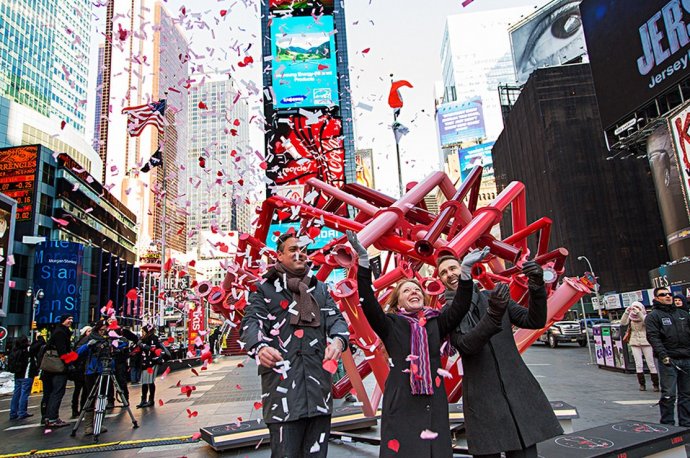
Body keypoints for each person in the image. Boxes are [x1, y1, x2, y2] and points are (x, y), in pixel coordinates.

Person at [349, 231, 478, 457]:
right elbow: (368, 301)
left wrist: (465, 273)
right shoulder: (390, 323)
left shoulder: (437, 321)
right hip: (401, 399)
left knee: (434, 450)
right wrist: (363, 262)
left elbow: (460, 306)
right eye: (406, 290)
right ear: (398, 301)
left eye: (417, 289)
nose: (414, 292)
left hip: (433, 399)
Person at [437, 254, 562, 458]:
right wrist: (493, 315)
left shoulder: (491, 296)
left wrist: (537, 286)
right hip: (482, 400)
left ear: (463, 269)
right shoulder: (448, 312)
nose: (450, 274)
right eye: (443, 272)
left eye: (453, 268)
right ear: (441, 280)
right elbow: (467, 345)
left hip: (517, 391)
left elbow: (534, 320)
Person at [240, 232, 349, 457]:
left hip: (318, 391)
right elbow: (251, 322)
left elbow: (336, 319)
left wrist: (338, 340)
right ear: (279, 256)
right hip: (283, 395)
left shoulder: (320, 289)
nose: (300, 254)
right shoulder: (265, 289)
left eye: (304, 251)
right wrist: (260, 347)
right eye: (293, 250)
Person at [645, 286, 690, 426]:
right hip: (668, 360)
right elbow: (653, 337)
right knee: (668, 395)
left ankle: (686, 424)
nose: (668, 296)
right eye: (663, 295)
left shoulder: (683, 314)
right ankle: (667, 424)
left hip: (686, 358)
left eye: (669, 294)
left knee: (686, 395)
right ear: (657, 298)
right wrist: (663, 355)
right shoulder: (653, 316)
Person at [75, 319, 110, 435]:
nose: (102, 333)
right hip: (91, 371)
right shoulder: (90, 339)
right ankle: (88, 426)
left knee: (102, 398)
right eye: (101, 330)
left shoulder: (107, 340)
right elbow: (78, 353)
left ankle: (98, 424)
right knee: (90, 397)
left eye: (105, 331)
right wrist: (88, 345)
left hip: (103, 370)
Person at [42, 314, 74, 428]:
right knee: (57, 392)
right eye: (68, 319)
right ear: (63, 321)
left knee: (50, 393)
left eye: (71, 319)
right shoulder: (61, 332)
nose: (71, 321)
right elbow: (62, 351)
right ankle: (52, 418)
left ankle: (47, 417)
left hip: (50, 367)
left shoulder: (58, 331)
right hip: (57, 367)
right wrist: (69, 364)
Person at [620, 302, 658, 391]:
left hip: (646, 341)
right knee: (638, 364)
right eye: (634, 307)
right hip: (634, 341)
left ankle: (655, 384)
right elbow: (623, 323)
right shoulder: (631, 317)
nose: (635, 309)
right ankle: (642, 384)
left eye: (637, 307)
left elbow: (646, 322)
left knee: (651, 364)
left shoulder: (645, 316)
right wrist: (626, 312)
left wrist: (639, 313)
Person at [133, 323, 168, 408]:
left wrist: (143, 345)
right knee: (145, 382)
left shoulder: (153, 338)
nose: (142, 332)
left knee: (149, 381)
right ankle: (144, 400)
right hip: (145, 362)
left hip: (151, 362)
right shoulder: (143, 339)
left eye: (143, 331)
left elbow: (153, 349)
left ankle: (150, 399)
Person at [8, 336, 34, 420]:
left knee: (16, 394)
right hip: (26, 375)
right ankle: (22, 412)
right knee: (24, 394)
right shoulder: (26, 351)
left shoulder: (14, 351)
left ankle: (13, 412)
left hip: (17, 375)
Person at [71, 325, 92, 418]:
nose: (90, 333)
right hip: (80, 369)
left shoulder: (85, 342)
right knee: (78, 390)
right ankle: (75, 409)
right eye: (88, 331)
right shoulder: (83, 343)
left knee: (85, 390)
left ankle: (83, 408)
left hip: (84, 369)